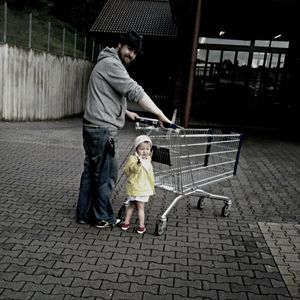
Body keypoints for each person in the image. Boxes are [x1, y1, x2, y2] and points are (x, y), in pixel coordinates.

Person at [76, 30, 171, 228]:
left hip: (92, 126)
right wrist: (160, 114)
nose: (132, 55)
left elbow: (106, 94)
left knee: (91, 173)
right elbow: (134, 90)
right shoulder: (112, 64)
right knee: (106, 175)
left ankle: (84, 214)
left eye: (135, 52)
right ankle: (102, 217)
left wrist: (126, 112)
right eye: (129, 49)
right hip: (102, 130)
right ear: (120, 44)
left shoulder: (106, 62)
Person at [121, 135, 154, 234]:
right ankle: (141, 226)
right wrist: (138, 163)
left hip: (134, 188)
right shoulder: (135, 159)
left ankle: (126, 223)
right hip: (141, 189)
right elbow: (133, 169)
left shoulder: (147, 158)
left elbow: (148, 160)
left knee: (131, 205)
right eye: (142, 149)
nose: (145, 151)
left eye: (147, 149)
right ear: (136, 149)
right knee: (140, 207)